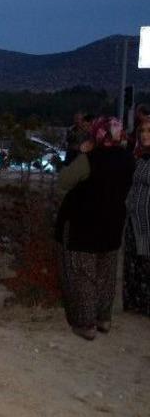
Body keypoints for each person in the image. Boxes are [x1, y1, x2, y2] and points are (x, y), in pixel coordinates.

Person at [55, 117, 135, 340]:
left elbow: (63, 180)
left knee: (83, 274)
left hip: (84, 225)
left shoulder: (90, 160)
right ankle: (103, 319)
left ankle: (85, 323)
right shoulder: (128, 159)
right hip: (112, 225)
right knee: (106, 274)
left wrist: (81, 152)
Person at [124, 118, 150, 316]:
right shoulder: (141, 157)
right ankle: (135, 302)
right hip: (135, 219)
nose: (144, 134)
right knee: (135, 261)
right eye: (142, 130)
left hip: (147, 222)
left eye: (148, 131)